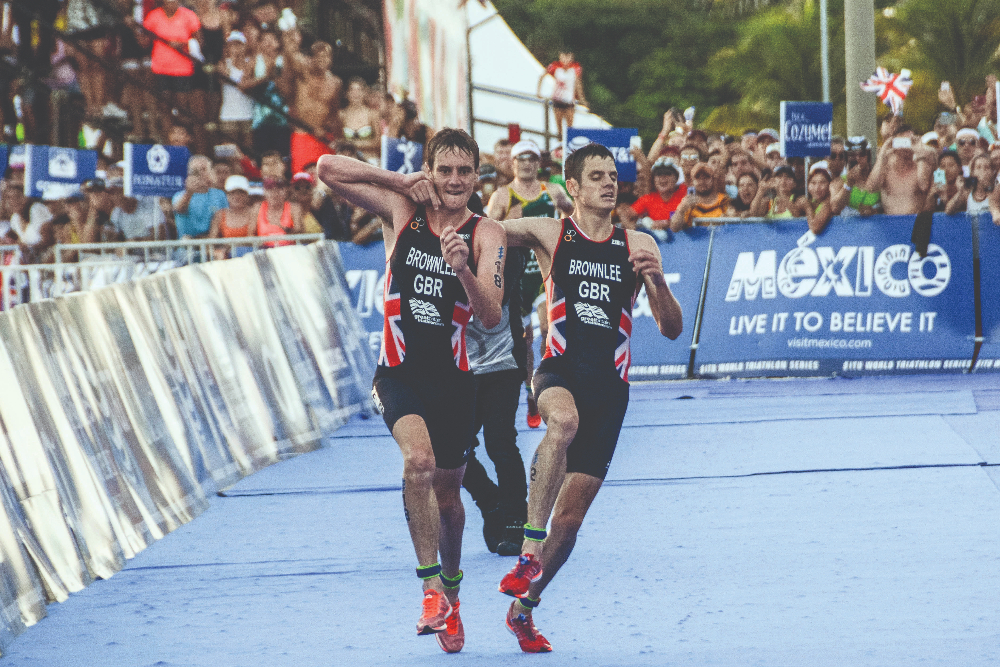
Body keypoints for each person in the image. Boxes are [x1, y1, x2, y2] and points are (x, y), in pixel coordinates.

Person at [316, 129, 505, 653]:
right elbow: (327, 168)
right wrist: (399, 179)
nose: (453, 181)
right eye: (443, 170)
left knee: (449, 499)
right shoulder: (402, 209)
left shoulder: (486, 232)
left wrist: (464, 268)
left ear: (476, 176)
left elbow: (490, 316)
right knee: (417, 464)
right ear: (429, 171)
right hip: (397, 373)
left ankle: (451, 590)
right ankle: (428, 589)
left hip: (454, 383)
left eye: (464, 172)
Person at [496, 142, 682, 653]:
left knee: (572, 524)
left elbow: (671, 329)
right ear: (572, 187)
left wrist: (656, 281)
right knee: (562, 423)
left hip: (610, 388)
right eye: (596, 175)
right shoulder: (550, 232)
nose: (609, 182)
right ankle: (528, 548)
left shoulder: (639, 242)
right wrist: (429, 201)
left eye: (613, 174)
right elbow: (483, 231)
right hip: (558, 369)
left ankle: (524, 608)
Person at [487, 140, 573, 431]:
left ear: (539, 163)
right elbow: (483, 235)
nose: (526, 164)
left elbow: (576, 216)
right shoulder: (502, 196)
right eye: (521, 159)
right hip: (515, 277)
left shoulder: (554, 191)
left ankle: (552, 383)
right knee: (523, 342)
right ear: (512, 163)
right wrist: (501, 223)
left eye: (532, 159)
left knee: (548, 326)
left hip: (544, 273)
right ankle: (531, 393)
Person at [282, 30, 342, 173]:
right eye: (319, 56)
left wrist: (329, 129)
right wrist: (291, 37)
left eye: (326, 57)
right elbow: (291, 55)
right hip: (302, 133)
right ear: (312, 58)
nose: (323, 60)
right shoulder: (303, 72)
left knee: (325, 176)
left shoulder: (335, 82)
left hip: (323, 136)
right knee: (302, 173)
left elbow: (334, 112)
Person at [866, 126, 936, 216]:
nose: (905, 147)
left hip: (915, 223)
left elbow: (924, 186)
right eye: (901, 142)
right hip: (891, 223)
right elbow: (871, 188)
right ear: (894, 142)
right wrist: (882, 154)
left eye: (909, 142)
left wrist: (919, 152)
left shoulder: (921, 164)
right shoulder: (885, 165)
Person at [173, 155, 228, 239]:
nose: (200, 174)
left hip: (212, 245)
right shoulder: (179, 195)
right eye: (195, 171)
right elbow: (179, 209)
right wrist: (189, 192)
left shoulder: (220, 195)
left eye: (203, 169)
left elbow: (225, 220)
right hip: (187, 247)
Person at [538, 51, 587, 137]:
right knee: (559, 128)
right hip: (557, 100)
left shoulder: (575, 68)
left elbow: (578, 84)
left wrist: (581, 98)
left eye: (568, 57)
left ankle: (569, 145)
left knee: (570, 128)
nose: (566, 60)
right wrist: (539, 92)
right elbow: (542, 76)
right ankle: (560, 143)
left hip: (569, 101)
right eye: (564, 57)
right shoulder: (555, 66)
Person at [626, 158, 684, 228]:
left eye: (667, 173)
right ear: (653, 179)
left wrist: (668, 223)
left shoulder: (684, 192)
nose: (662, 177)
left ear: (676, 178)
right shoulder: (649, 198)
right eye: (658, 174)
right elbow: (627, 215)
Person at [671, 162, 730, 231]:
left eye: (706, 177)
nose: (702, 181)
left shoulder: (724, 201)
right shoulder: (688, 202)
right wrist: (681, 210)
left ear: (713, 179)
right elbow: (674, 228)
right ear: (692, 181)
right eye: (698, 178)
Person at [209, 174, 256, 257]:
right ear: (227, 195)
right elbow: (211, 242)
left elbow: (251, 239)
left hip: (248, 257)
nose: (237, 196)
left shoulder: (253, 213)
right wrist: (217, 252)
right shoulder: (220, 214)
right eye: (232, 193)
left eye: (241, 193)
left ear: (247, 195)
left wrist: (230, 246)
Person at [340, 77, 381, 161]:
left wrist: (354, 144)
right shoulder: (342, 115)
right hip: (348, 160)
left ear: (364, 93)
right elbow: (339, 141)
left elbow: (378, 142)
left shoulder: (372, 114)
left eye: (359, 90)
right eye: (352, 90)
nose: (356, 94)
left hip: (369, 159)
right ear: (347, 93)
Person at [254, 177, 303, 246]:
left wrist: (284, 228)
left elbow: (300, 232)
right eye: (270, 189)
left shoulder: (294, 208)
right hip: (264, 250)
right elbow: (250, 234)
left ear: (286, 191)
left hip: (289, 249)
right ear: (264, 192)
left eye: (279, 188)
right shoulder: (257, 208)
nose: (275, 193)